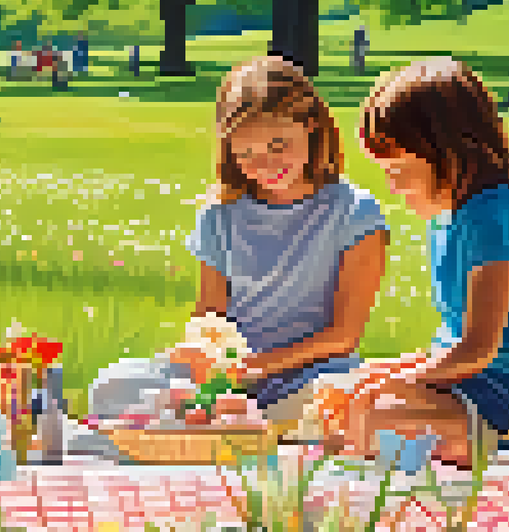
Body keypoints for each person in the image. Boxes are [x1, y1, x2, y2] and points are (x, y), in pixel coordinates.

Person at [329, 58, 509, 468]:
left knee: (376, 418)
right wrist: (376, 373)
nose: (393, 187)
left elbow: (478, 349)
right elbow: (451, 344)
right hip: (483, 385)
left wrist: (387, 382)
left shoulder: (492, 220)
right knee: (355, 406)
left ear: (449, 154)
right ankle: (433, 457)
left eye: (399, 170)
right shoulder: (449, 219)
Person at [134, 56, 390, 424]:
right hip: (232, 379)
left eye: (278, 145)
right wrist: (198, 355)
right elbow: (210, 314)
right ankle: (245, 422)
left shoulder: (355, 212)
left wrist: (253, 367)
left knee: (340, 399)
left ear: (312, 127)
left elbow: (343, 336)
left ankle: (260, 425)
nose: (266, 164)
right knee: (113, 387)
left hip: (312, 376)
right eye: (246, 154)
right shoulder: (219, 215)